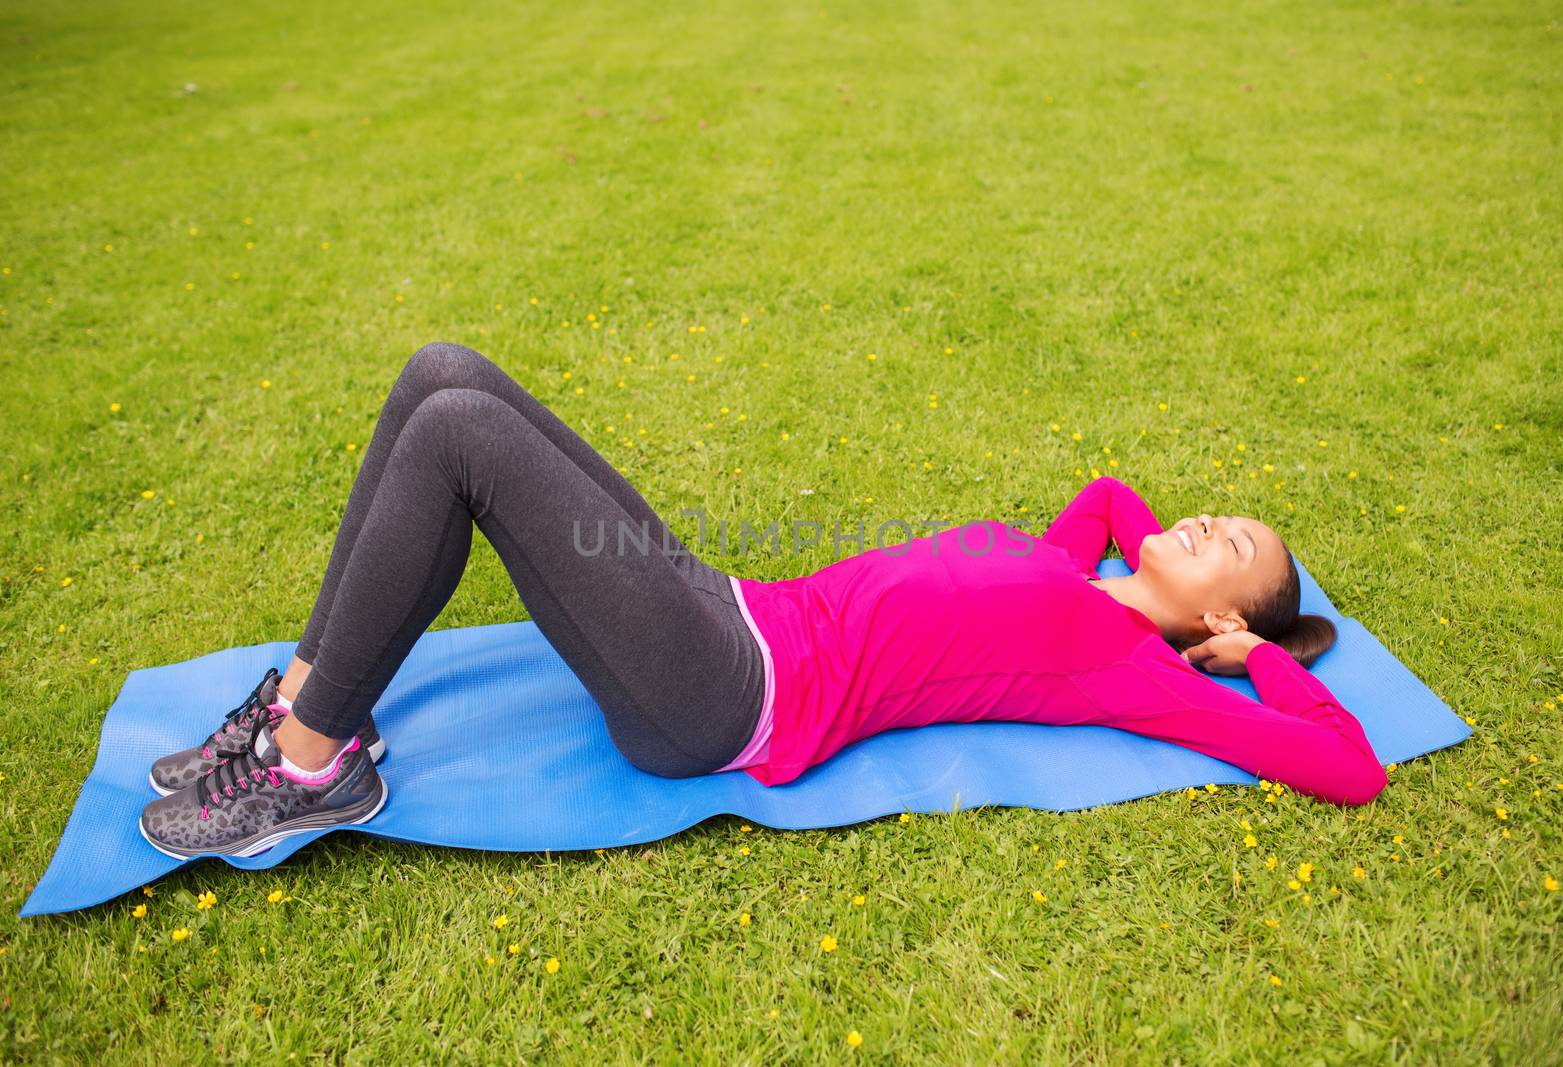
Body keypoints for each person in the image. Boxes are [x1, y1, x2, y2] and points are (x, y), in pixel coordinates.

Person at [138, 343, 1387, 860]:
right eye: (1226, 513)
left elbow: (1347, 768)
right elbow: (1113, 492)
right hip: (720, 604)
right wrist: (1173, 570)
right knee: (443, 373)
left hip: (724, 695)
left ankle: (308, 768)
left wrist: (1253, 658)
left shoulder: (1129, 670)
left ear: (1224, 618)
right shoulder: (1082, 570)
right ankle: (305, 698)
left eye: (1240, 545)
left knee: (462, 434)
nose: (1217, 520)